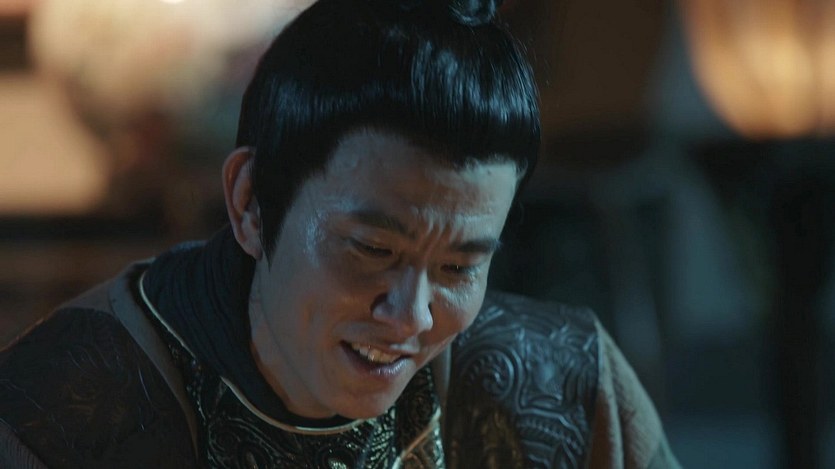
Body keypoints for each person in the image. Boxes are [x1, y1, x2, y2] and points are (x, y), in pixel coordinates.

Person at [0, 0, 680, 467]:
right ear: (250, 202)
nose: (411, 316)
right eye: (372, 250)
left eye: (457, 267)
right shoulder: (55, 419)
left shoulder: (561, 390)